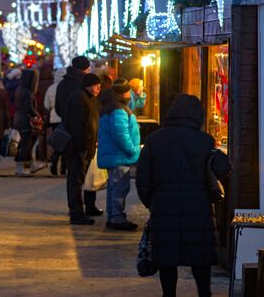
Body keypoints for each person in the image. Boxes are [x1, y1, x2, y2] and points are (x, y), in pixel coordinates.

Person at [136, 94, 231, 297]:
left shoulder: (155, 140)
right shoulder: (205, 141)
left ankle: (169, 294)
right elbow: (224, 170)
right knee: (200, 256)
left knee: (167, 258)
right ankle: (204, 293)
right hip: (199, 207)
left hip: (164, 206)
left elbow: (142, 179)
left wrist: (152, 202)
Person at [97, 78, 141, 231]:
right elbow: (120, 134)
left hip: (114, 155)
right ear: (124, 93)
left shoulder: (113, 106)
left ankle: (113, 216)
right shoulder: (118, 110)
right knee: (119, 188)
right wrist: (132, 150)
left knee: (114, 187)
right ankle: (117, 217)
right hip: (119, 155)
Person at [63, 74, 104, 225]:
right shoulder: (78, 98)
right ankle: (76, 213)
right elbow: (77, 127)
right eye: (96, 85)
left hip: (88, 147)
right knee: (76, 181)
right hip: (79, 149)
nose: (99, 89)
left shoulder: (90, 98)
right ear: (88, 85)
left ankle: (88, 207)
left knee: (84, 179)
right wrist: (82, 148)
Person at [14, 69, 45, 175]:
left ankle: (31, 164)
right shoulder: (28, 92)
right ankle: (20, 167)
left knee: (26, 143)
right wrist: (37, 115)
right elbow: (29, 108)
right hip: (25, 120)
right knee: (25, 144)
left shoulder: (19, 88)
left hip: (18, 118)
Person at [44, 68, 67, 176]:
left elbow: (46, 105)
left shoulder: (51, 88)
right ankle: (63, 168)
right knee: (65, 143)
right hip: (64, 117)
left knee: (57, 143)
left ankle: (54, 164)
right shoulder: (66, 87)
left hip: (53, 118)